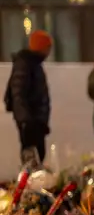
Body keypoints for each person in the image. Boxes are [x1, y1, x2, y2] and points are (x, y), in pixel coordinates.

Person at [5, 30, 52, 166]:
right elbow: (18, 94)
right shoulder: (25, 65)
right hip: (31, 121)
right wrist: (26, 121)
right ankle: (31, 184)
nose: (49, 51)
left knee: (37, 156)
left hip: (35, 120)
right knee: (32, 157)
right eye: (48, 47)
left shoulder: (33, 64)